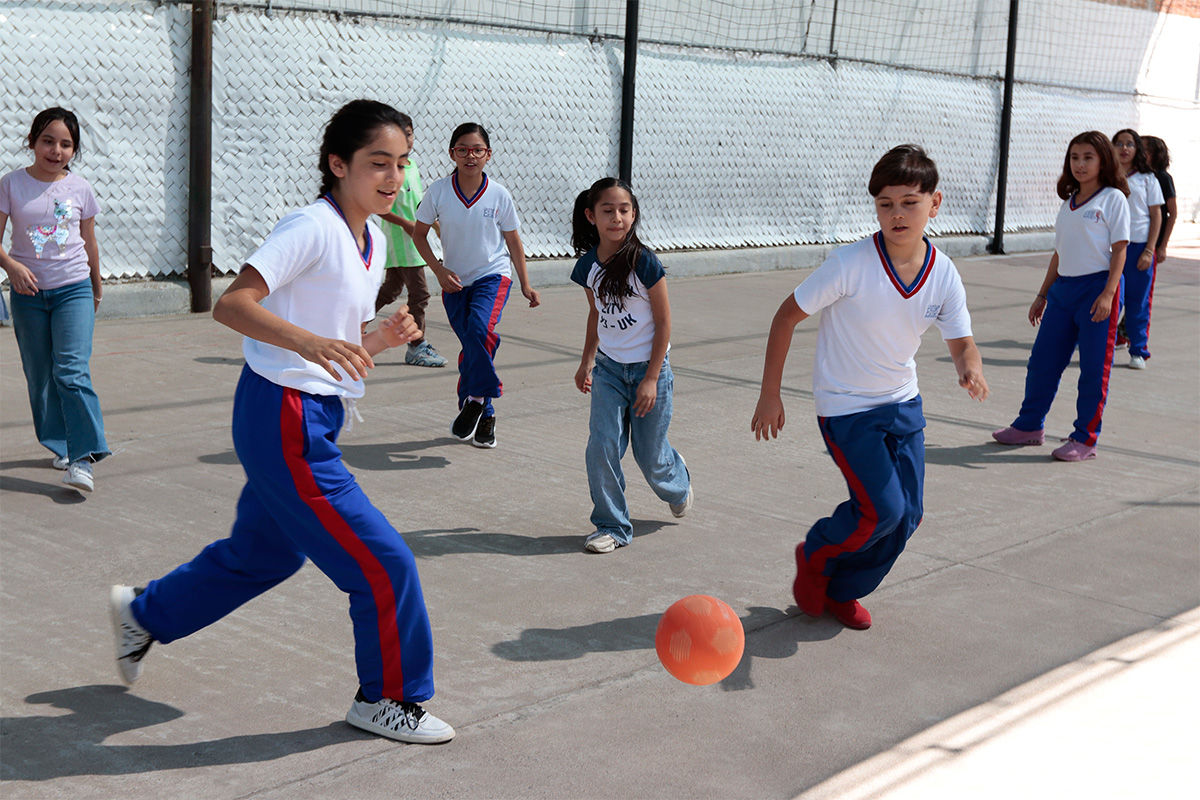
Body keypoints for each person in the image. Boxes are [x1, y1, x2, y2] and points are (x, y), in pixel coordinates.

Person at [108, 100, 455, 745]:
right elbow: (232, 304)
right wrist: (306, 342)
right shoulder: (310, 227)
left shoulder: (373, 240)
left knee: (263, 554)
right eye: (378, 163)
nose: (393, 177)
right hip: (284, 416)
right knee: (385, 565)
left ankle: (145, 614)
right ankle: (387, 698)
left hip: (309, 411)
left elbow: (334, 343)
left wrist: (376, 340)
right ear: (338, 164)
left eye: (402, 164)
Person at [752, 145, 987, 630]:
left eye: (909, 202)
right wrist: (770, 393)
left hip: (902, 403)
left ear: (935, 203)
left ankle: (842, 589)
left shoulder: (943, 273)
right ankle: (816, 554)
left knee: (909, 515)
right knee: (880, 510)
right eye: (886, 204)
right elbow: (785, 317)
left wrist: (970, 368)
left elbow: (962, 342)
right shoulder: (850, 264)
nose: (897, 213)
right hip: (847, 409)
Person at [570, 178, 692, 554]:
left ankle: (678, 480)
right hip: (608, 371)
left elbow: (664, 323)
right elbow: (597, 315)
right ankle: (612, 525)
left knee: (650, 458)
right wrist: (586, 361)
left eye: (624, 210)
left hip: (648, 371)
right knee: (602, 445)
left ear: (633, 215)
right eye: (607, 210)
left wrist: (651, 378)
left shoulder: (645, 263)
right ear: (591, 216)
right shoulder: (587, 267)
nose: (617, 217)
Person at [993, 131, 1129, 462]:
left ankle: (1085, 438)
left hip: (1097, 290)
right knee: (1042, 362)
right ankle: (1029, 426)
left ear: (1103, 161)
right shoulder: (1068, 204)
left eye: (1088, 158)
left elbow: (1120, 250)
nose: (1080, 164)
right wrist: (1043, 294)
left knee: (1093, 370)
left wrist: (1109, 294)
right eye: (1074, 158)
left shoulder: (1113, 199)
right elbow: (1059, 253)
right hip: (1062, 292)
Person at [0, 107, 109, 494]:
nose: (56, 150)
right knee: (41, 376)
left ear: (74, 150)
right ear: (32, 141)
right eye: (48, 141)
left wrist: (96, 287)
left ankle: (83, 458)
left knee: (72, 371)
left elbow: (89, 242)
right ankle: (62, 445)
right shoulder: (11, 184)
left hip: (73, 289)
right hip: (27, 295)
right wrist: (11, 266)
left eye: (66, 144)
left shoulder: (80, 188)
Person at [411, 123, 540, 448]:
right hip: (454, 282)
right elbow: (419, 234)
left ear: (488, 154)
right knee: (473, 344)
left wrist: (525, 283)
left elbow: (513, 241)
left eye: (477, 150)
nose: (471, 156)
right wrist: (438, 270)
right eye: (463, 150)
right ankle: (485, 413)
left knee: (479, 330)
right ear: (452, 153)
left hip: (492, 277)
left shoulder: (499, 194)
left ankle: (478, 399)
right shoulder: (439, 191)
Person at [375, 112, 447, 368]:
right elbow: (379, 206)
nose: (406, 139)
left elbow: (416, 202)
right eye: (400, 134)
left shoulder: (412, 166)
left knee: (391, 290)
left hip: (415, 240)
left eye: (409, 134)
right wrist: (406, 224)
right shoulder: (388, 168)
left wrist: (434, 225)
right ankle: (417, 346)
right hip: (402, 242)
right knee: (420, 294)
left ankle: (351, 324)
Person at [1111, 128, 1162, 369]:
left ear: (1137, 149)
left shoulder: (1148, 179)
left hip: (1139, 248)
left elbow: (1156, 216)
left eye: (1129, 144)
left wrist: (1149, 250)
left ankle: (1138, 351)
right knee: (1108, 299)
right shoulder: (1106, 177)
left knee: (1137, 302)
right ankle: (1101, 347)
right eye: (1119, 143)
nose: (1124, 148)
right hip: (1110, 249)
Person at [1143, 135, 1177, 263]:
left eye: (1145, 150)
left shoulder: (1163, 178)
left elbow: (1172, 213)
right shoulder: (1135, 176)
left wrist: (1163, 246)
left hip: (1153, 240)